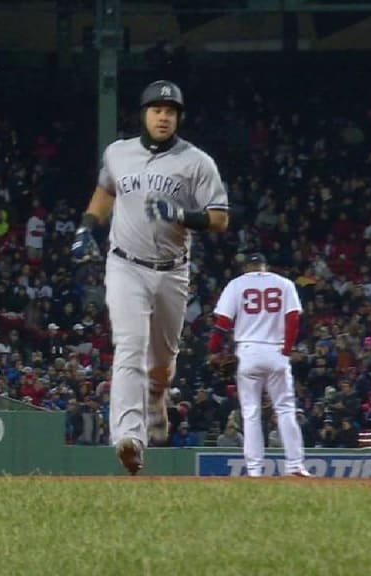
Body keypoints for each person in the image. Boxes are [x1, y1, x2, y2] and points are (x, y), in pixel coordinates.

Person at [72, 80, 230, 475]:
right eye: (157, 109)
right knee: (130, 346)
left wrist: (182, 215)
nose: (164, 116)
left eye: (171, 111)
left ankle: (158, 396)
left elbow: (220, 218)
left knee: (161, 361)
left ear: (178, 117)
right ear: (143, 114)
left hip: (172, 271)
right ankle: (129, 437)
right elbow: (105, 191)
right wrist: (86, 226)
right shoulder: (118, 153)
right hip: (125, 265)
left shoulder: (197, 161)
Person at [208, 253, 312, 477]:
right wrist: (286, 350)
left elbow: (223, 323)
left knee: (251, 412)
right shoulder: (284, 283)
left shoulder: (236, 284)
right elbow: (294, 318)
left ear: (247, 267)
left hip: (248, 351)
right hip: (276, 350)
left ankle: (255, 469)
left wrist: (213, 350)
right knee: (285, 409)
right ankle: (295, 465)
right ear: (265, 267)